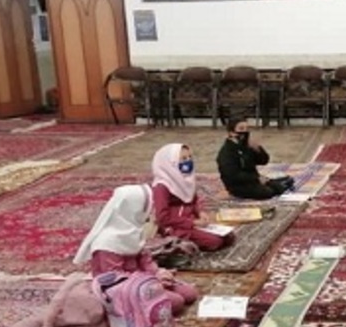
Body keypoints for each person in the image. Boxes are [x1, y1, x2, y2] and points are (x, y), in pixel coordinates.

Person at [73, 183, 199, 312]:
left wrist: (159, 273)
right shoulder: (107, 241)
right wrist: (151, 282)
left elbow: (146, 261)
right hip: (121, 289)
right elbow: (114, 280)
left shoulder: (133, 231)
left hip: (142, 281)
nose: (149, 212)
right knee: (176, 302)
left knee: (190, 293)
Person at [151, 142, 232, 252]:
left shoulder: (186, 179)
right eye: (183, 158)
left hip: (191, 221)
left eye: (190, 157)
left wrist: (200, 213)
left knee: (229, 237)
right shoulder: (162, 187)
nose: (188, 161)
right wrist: (192, 223)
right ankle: (176, 242)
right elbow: (162, 218)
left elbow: (193, 200)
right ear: (171, 163)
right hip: (174, 226)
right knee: (215, 241)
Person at [216, 116, 295, 200]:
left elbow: (264, 161)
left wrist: (258, 149)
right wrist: (256, 178)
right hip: (238, 185)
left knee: (282, 186)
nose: (245, 132)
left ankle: (276, 184)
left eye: (247, 128)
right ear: (231, 132)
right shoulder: (227, 152)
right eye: (241, 129)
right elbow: (233, 175)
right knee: (267, 192)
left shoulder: (246, 146)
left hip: (253, 180)